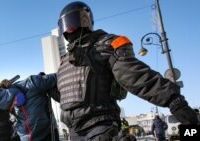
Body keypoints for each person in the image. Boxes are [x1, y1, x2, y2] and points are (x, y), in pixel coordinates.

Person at [56, 1, 198, 141]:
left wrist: (173, 100)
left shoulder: (104, 46)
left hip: (99, 127)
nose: (70, 29)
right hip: (74, 131)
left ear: (85, 21)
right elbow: (65, 96)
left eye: (73, 22)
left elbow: (135, 75)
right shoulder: (65, 61)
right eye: (66, 25)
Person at [0, 72, 60, 141]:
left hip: (47, 134)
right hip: (26, 138)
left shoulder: (32, 83)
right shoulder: (10, 105)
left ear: (9, 95)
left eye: (11, 103)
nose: (13, 106)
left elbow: (58, 76)